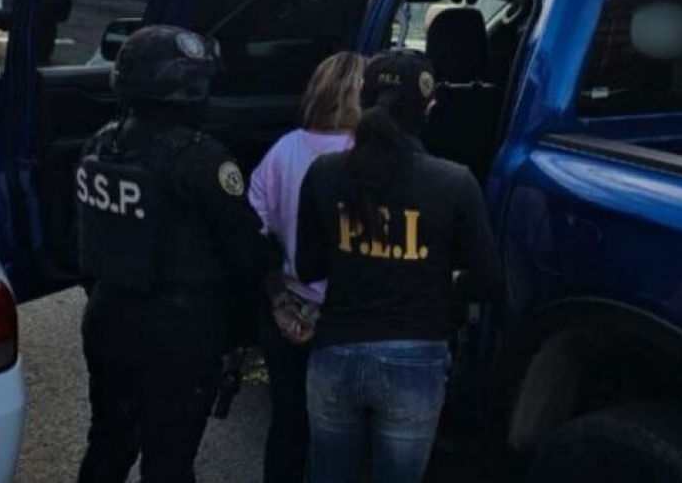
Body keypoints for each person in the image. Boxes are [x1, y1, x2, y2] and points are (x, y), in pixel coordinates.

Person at [75, 25, 276, 483]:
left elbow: (83, 240)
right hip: (178, 333)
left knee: (107, 443)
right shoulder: (203, 158)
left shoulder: (101, 144)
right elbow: (246, 252)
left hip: (108, 314)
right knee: (169, 459)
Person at [296, 49, 503, 483]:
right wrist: (443, 279)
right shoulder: (455, 182)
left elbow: (308, 267)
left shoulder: (324, 173)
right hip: (416, 359)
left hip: (335, 351)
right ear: (429, 108)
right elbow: (488, 280)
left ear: (362, 100)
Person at [248, 51, 365, 483]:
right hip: (351, 317)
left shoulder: (284, 149)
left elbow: (254, 230)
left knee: (288, 422)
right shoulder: (371, 157)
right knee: (343, 436)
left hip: (292, 310)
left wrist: (274, 297)